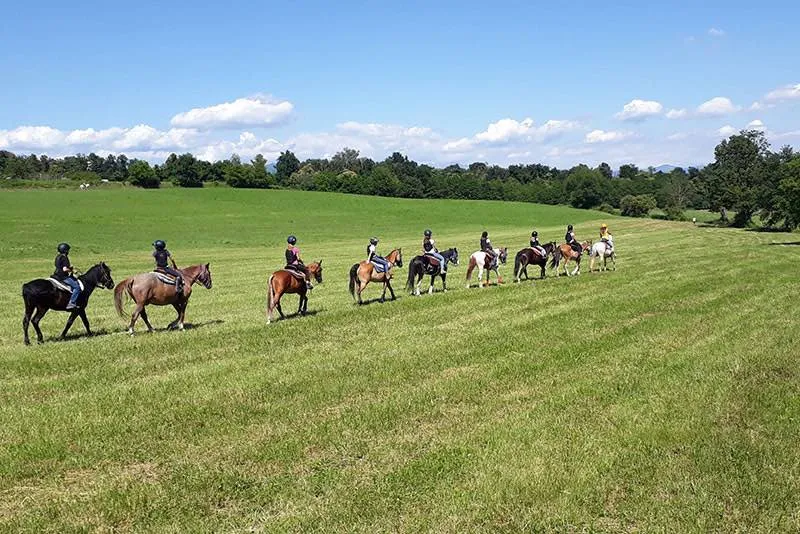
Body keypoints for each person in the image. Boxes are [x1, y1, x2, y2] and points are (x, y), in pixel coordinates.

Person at [53, 242, 81, 310]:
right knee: (77, 287)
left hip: (55, 275)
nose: (68, 251)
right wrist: (72, 270)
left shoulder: (58, 257)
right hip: (63, 277)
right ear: (65, 250)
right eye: (68, 250)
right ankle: (71, 303)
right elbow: (64, 269)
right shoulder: (64, 258)